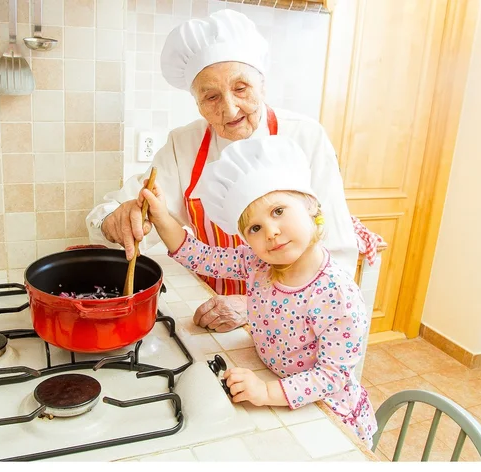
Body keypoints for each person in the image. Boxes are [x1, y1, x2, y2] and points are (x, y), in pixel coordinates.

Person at [86, 9, 357, 334]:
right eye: (211, 96)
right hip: (209, 312)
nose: (229, 109)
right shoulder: (182, 145)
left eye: (241, 88)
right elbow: (121, 212)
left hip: (296, 321)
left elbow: (338, 249)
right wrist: (116, 219)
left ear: (262, 84)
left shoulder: (305, 137)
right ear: (196, 103)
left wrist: (254, 303)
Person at [138, 135, 377, 448]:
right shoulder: (257, 264)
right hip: (274, 381)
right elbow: (198, 255)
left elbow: (331, 377)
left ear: (311, 208)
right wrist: (160, 216)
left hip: (328, 414)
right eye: (255, 228)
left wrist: (265, 393)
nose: (272, 233)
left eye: (279, 211)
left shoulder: (338, 294)